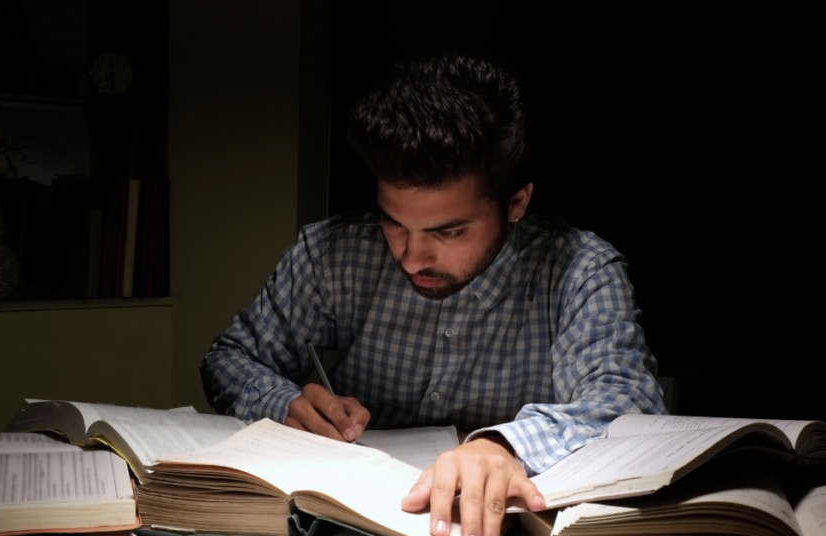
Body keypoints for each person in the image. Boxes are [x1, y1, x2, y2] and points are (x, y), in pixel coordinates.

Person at [201, 55, 666, 536]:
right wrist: (284, 401)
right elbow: (230, 358)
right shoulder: (331, 252)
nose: (411, 257)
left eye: (449, 232)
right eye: (394, 222)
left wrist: (504, 447)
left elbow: (628, 402)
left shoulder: (579, 269)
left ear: (516, 204)